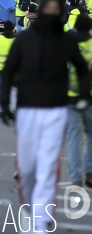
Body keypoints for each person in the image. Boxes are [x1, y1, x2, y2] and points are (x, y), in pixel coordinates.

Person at [0, 0, 91, 232]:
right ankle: (30, 208)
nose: (50, 14)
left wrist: (82, 96)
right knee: (27, 169)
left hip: (56, 111)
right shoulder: (24, 39)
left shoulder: (67, 41)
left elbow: (82, 70)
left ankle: (40, 220)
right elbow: (8, 71)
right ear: (40, 10)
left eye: (55, 9)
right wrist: (4, 102)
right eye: (47, 9)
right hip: (27, 111)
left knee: (47, 167)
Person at [66, 14, 92, 187]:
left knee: (74, 137)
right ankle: (89, 172)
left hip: (69, 97)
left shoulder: (67, 44)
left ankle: (76, 177)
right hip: (89, 97)